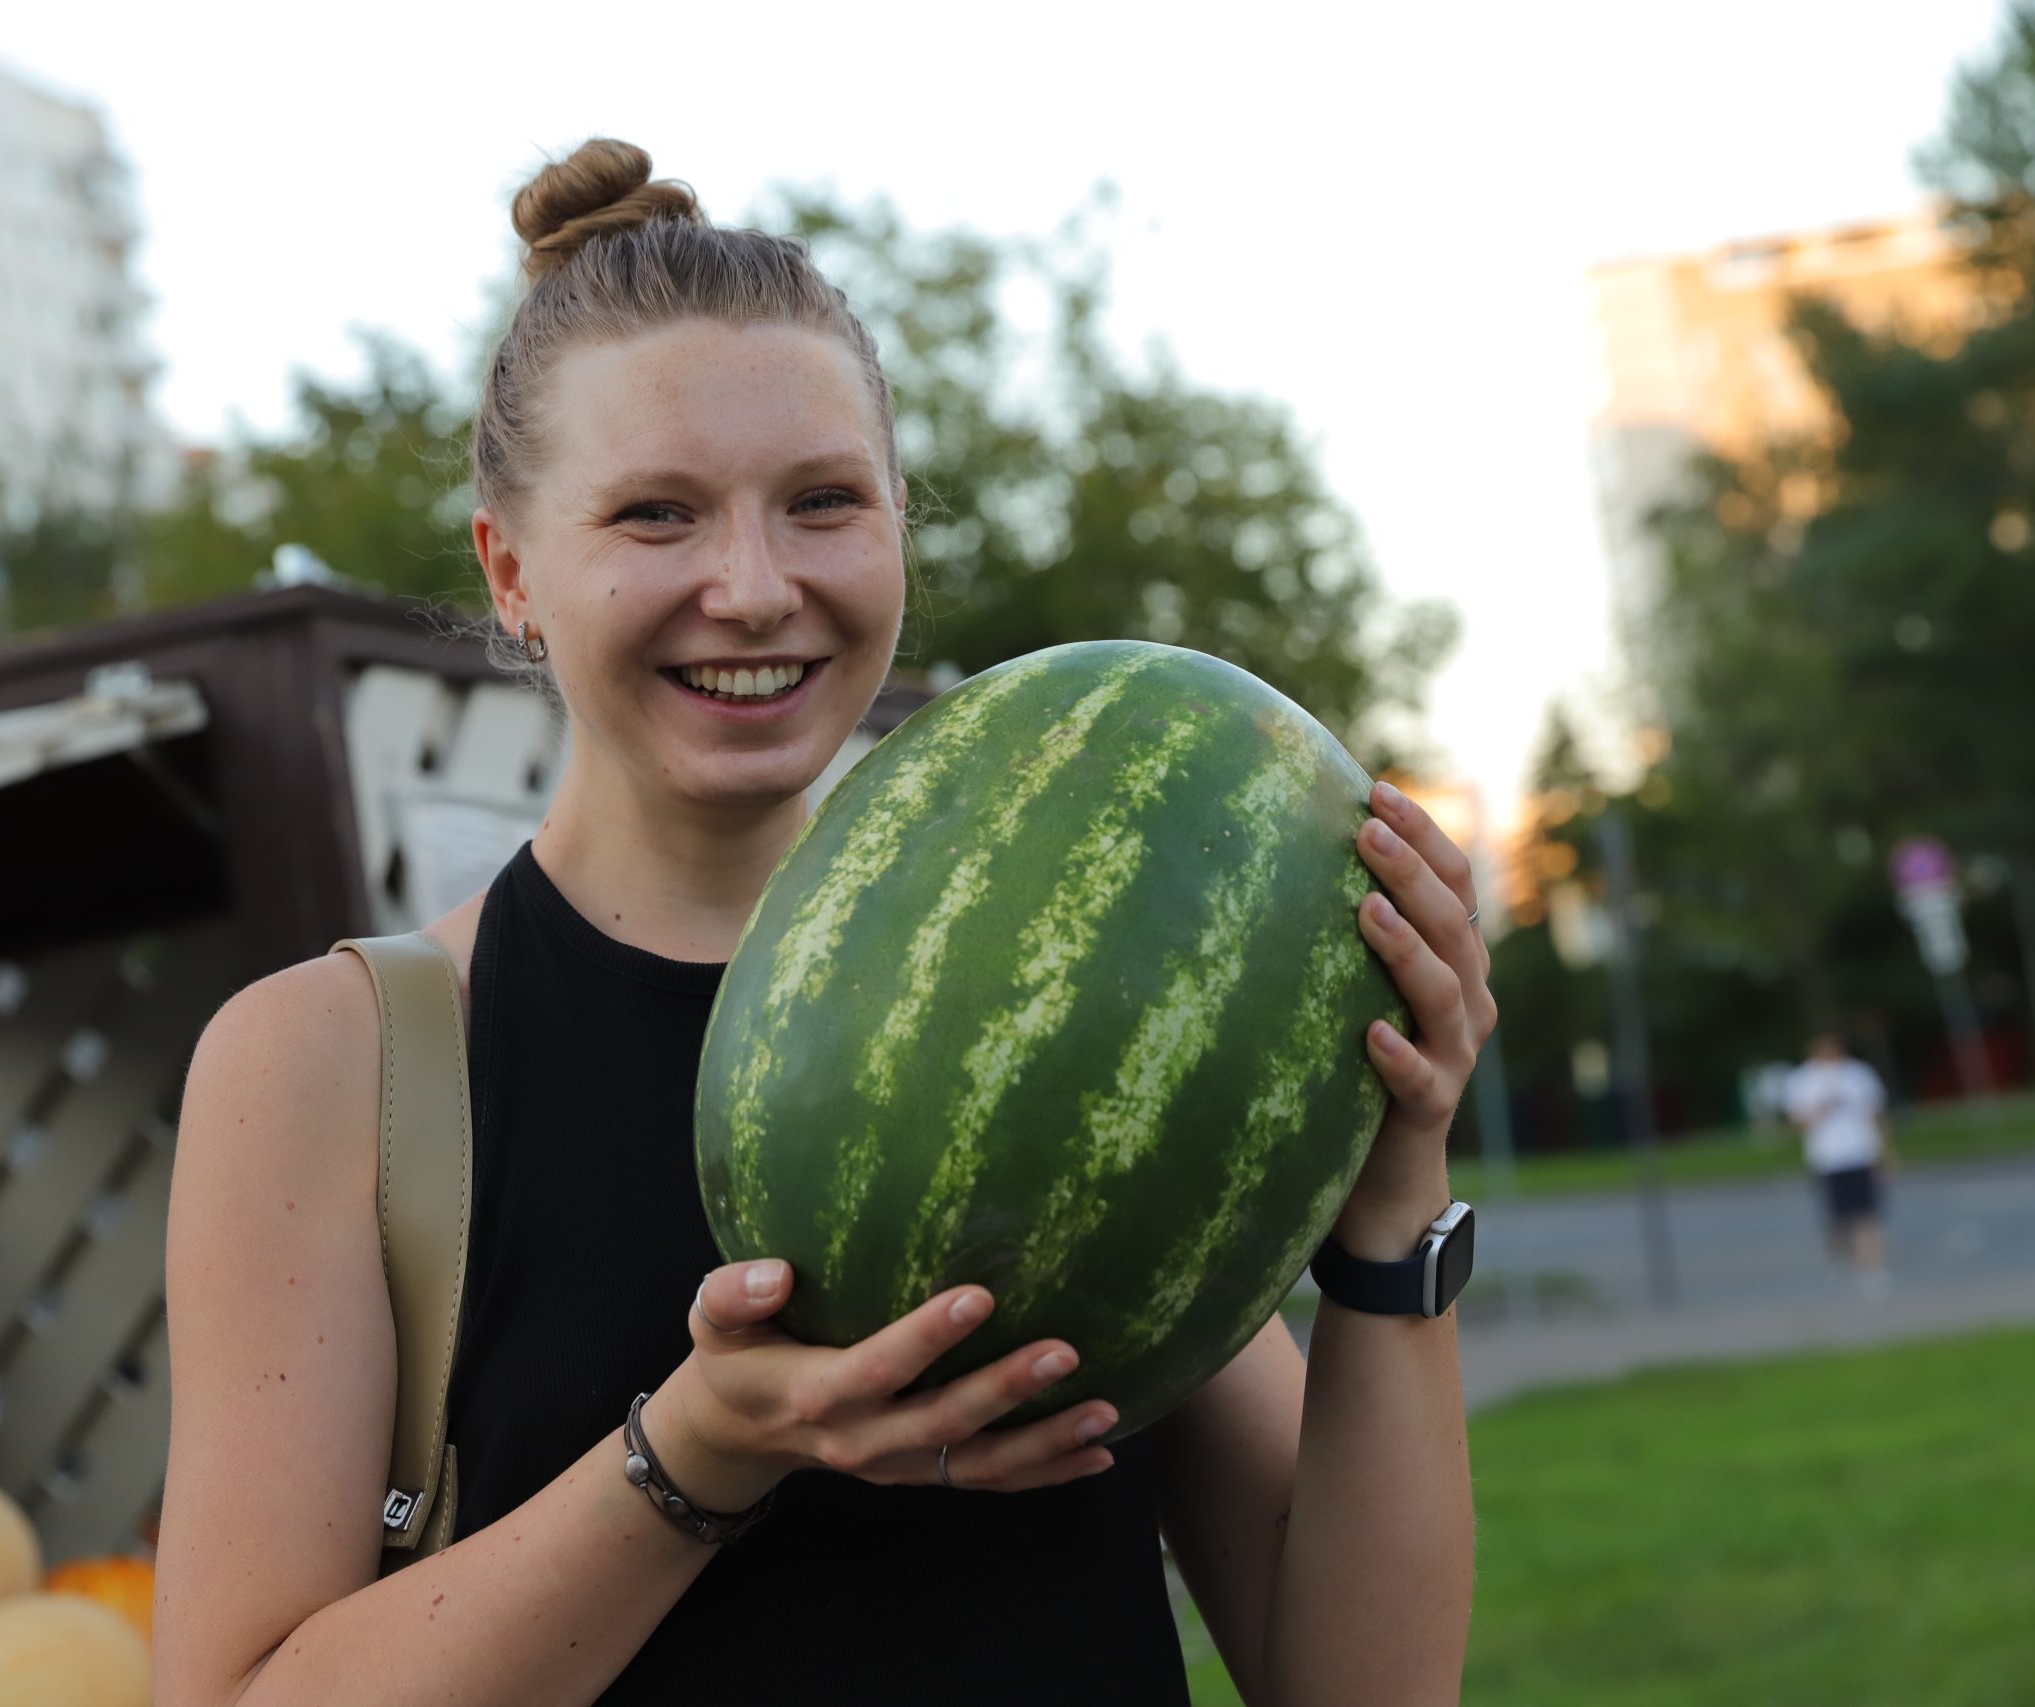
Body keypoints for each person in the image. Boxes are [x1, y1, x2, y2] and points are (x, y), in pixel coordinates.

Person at [154, 138, 1489, 1707]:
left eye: (823, 503)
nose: (755, 585)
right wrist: (699, 1449)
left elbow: (1366, 1688)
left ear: (900, 525)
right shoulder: (333, 1062)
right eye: (657, 515)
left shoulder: (1065, 975)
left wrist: (1395, 1196)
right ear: (512, 571)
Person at [1779, 1032, 1896, 1298]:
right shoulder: (1802, 1079)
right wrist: (1822, 1108)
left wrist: (1886, 1151)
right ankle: (1844, 1258)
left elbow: (1876, 1114)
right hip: (1828, 1158)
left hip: (1861, 1153)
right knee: (1839, 1219)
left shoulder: (1858, 1073)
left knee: (1867, 1214)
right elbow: (1798, 1123)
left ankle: (1872, 1268)